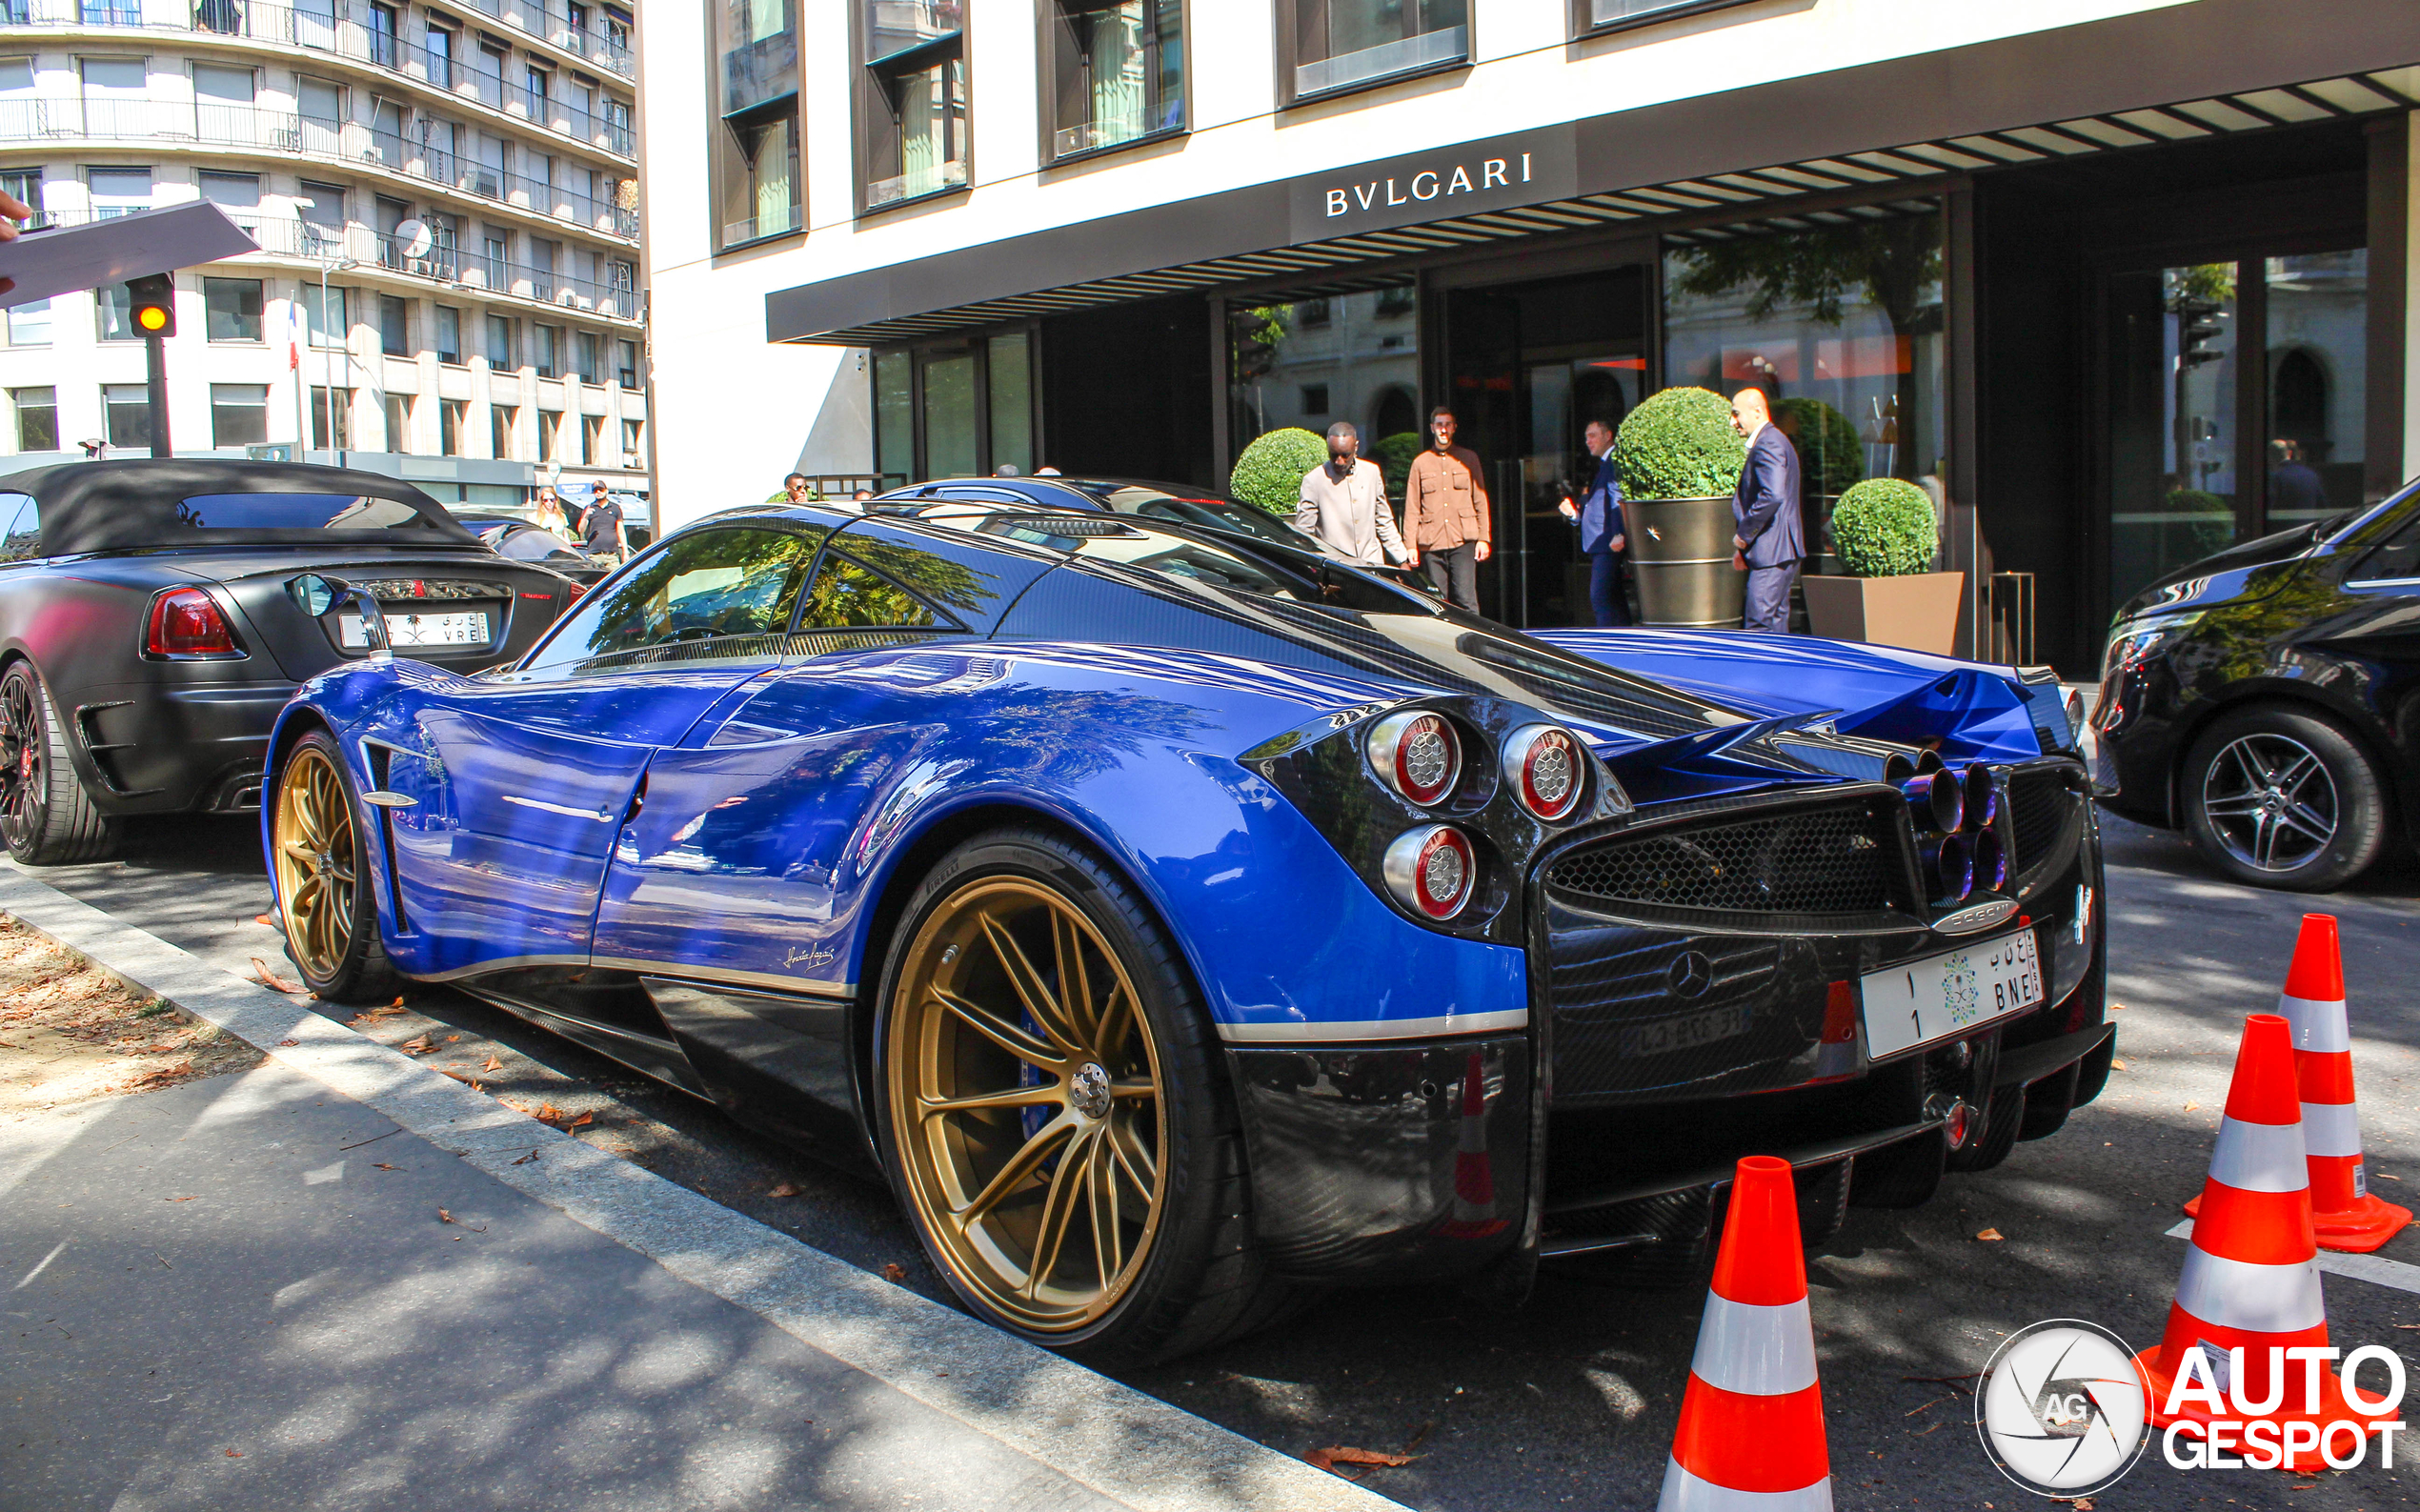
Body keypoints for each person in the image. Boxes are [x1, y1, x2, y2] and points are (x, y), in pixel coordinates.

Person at [1729, 387, 1805, 635]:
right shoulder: (1776, 440)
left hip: (1771, 551)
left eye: (1736, 413)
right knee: (1774, 623)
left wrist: (1744, 535)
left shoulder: (1768, 443)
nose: (1733, 421)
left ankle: (1757, 674)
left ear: (1758, 411)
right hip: (1778, 550)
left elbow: (1772, 495)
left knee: (1759, 625)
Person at [1402, 407, 1491, 613]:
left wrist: (1484, 538)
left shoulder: (1469, 458)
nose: (1443, 429)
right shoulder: (1420, 463)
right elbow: (1412, 506)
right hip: (1431, 542)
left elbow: (1480, 499)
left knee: (1466, 598)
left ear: (1454, 428)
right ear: (1432, 428)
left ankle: (1472, 642)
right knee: (1436, 601)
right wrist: (1410, 545)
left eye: (1448, 425)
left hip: (1463, 539)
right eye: (1439, 425)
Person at [1294, 421, 1406, 569]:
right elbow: (1304, 532)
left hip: (1372, 564)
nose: (1339, 461)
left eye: (1345, 455)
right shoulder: (1314, 480)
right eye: (1333, 455)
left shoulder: (1372, 472)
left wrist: (1402, 559)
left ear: (1356, 447)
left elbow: (1383, 519)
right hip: (1337, 569)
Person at [1556, 418, 1628, 626]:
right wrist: (1575, 515)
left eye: (1593, 435)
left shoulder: (1613, 462)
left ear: (1608, 436)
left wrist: (1618, 533)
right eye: (1586, 436)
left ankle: (1609, 646)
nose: (1588, 441)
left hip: (1607, 542)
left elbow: (1616, 498)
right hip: (1603, 541)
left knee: (1601, 598)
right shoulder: (1605, 464)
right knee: (1613, 599)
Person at [2270, 437, 2327, 517]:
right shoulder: (2311, 475)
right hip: (2309, 526)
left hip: (2283, 528)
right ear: (2289, 453)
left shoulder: (2274, 478)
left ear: (2270, 457)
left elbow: (2270, 507)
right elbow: (2323, 506)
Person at [576, 487, 627, 560]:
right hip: (594, 554)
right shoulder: (589, 508)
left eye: (601, 490)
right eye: (596, 491)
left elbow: (621, 532)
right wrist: (585, 516)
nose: (598, 492)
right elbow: (581, 530)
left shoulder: (615, 508)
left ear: (606, 491)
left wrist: (625, 552)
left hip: (612, 554)